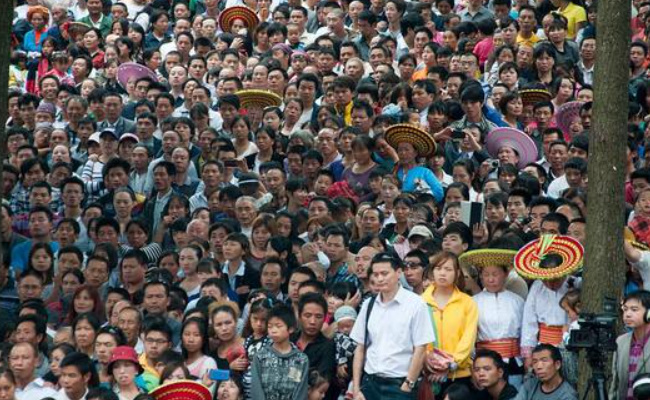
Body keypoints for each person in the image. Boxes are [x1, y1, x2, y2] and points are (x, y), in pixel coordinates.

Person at [351, 252, 434, 400]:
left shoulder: (416, 304)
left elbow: (421, 348)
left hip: (399, 384)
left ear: (398, 272)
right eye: (375, 275)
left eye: (384, 273)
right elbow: (360, 347)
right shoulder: (368, 305)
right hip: (369, 383)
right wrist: (357, 388)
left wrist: (408, 384)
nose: (380, 279)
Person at [250, 303, 310, 400]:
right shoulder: (260, 357)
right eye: (270, 326)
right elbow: (256, 389)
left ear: (290, 329)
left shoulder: (301, 359)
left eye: (278, 326)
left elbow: (301, 391)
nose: (273, 330)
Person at [610, 290, 650, 400]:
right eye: (625, 309)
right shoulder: (620, 341)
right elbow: (615, 383)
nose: (627, 314)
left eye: (634, 310)